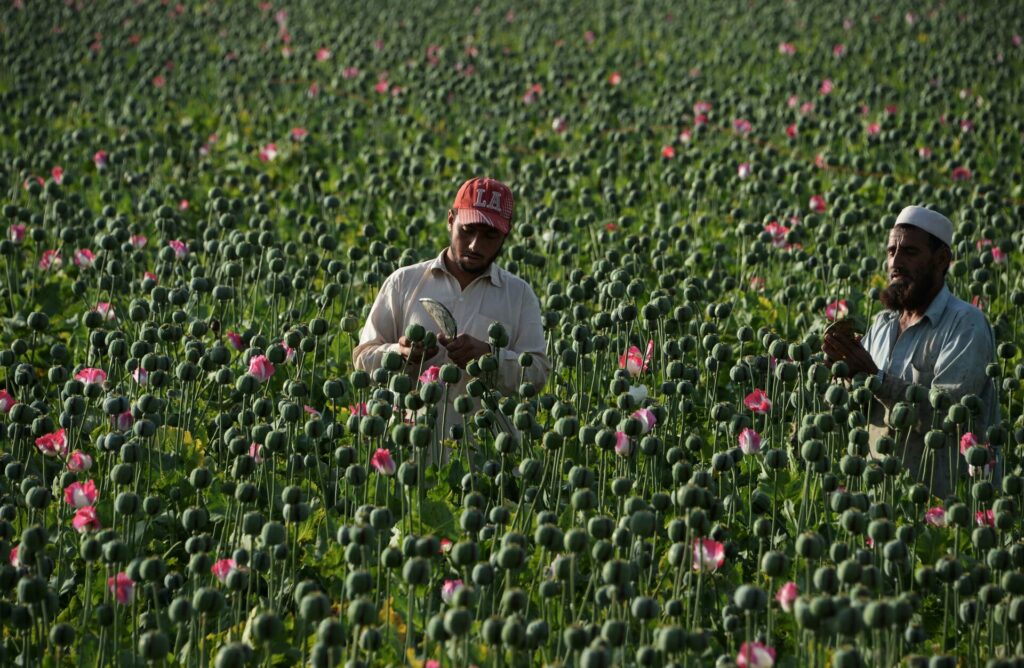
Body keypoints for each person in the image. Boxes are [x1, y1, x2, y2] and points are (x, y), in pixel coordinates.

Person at [352, 176, 550, 441]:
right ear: (450, 220)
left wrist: (490, 358)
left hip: (486, 454)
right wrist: (401, 354)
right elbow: (362, 359)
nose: (475, 245)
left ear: (506, 235)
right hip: (408, 447)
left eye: (490, 235)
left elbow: (537, 374)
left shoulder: (519, 295)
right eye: (467, 230)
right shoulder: (404, 282)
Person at [822, 205, 999, 499]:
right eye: (891, 251)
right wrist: (839, 374)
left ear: (942, 260)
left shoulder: (966, 324)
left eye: (910, 252)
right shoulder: (882, 326)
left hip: (941, 505)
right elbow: (859, 409)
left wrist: (874, 378)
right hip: (877, 496)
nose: (896, 262)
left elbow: (950, 418)